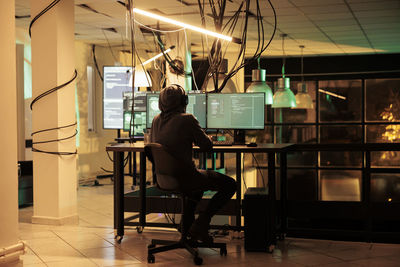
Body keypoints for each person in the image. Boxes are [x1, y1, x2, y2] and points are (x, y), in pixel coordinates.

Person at [150, 84, 236, 243]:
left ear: (160, 103)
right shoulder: (187, 119)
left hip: (164, 179)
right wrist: (207, 138)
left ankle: (188, 227)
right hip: (185, 178)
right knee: (230, 185)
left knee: (196, 189)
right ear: (185, 101)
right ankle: (202, 223)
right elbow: (206, 146)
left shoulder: (155, 121)